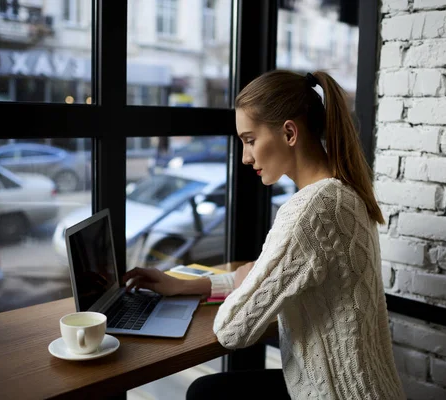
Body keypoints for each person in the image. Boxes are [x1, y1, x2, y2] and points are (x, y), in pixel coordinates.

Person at [122, 70, 406, 400]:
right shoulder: (341, 193)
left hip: (337, 394)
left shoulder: (310, 210)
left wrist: (244, 280)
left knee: (206, 394)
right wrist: (186, 286)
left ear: (288, 133)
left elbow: (232, 329)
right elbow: (267, 278)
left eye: (249, 140)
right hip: (363, 390)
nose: (245, 157)